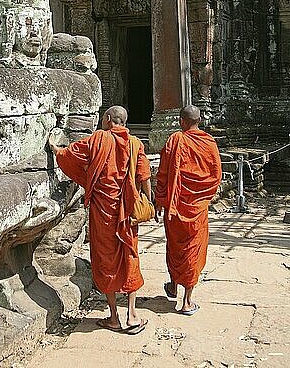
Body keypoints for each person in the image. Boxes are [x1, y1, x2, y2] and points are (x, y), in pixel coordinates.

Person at [49, 105, 151, 334]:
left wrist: (56, 149)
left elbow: (70, 154)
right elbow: (145, 176)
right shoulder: (136, 144)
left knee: (105, 260)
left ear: (107, 119)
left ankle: (114, 316)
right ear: (124, 122)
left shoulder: (98, 139)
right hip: (127, 213)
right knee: (129, 257)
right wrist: (149, 202)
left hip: (103, 213)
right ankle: (132, 314)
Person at [155, 105, 222, 315]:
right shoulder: (208, 143)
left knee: (175, 248)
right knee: (193, 250)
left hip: (175, 207)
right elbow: (216, 175)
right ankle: (187, 301)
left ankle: (174, 285)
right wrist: (203, 197)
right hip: (197, 208)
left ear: (181, 121)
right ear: (199, 120)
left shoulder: (174, 141)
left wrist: (160, 200)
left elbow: (163, 174)